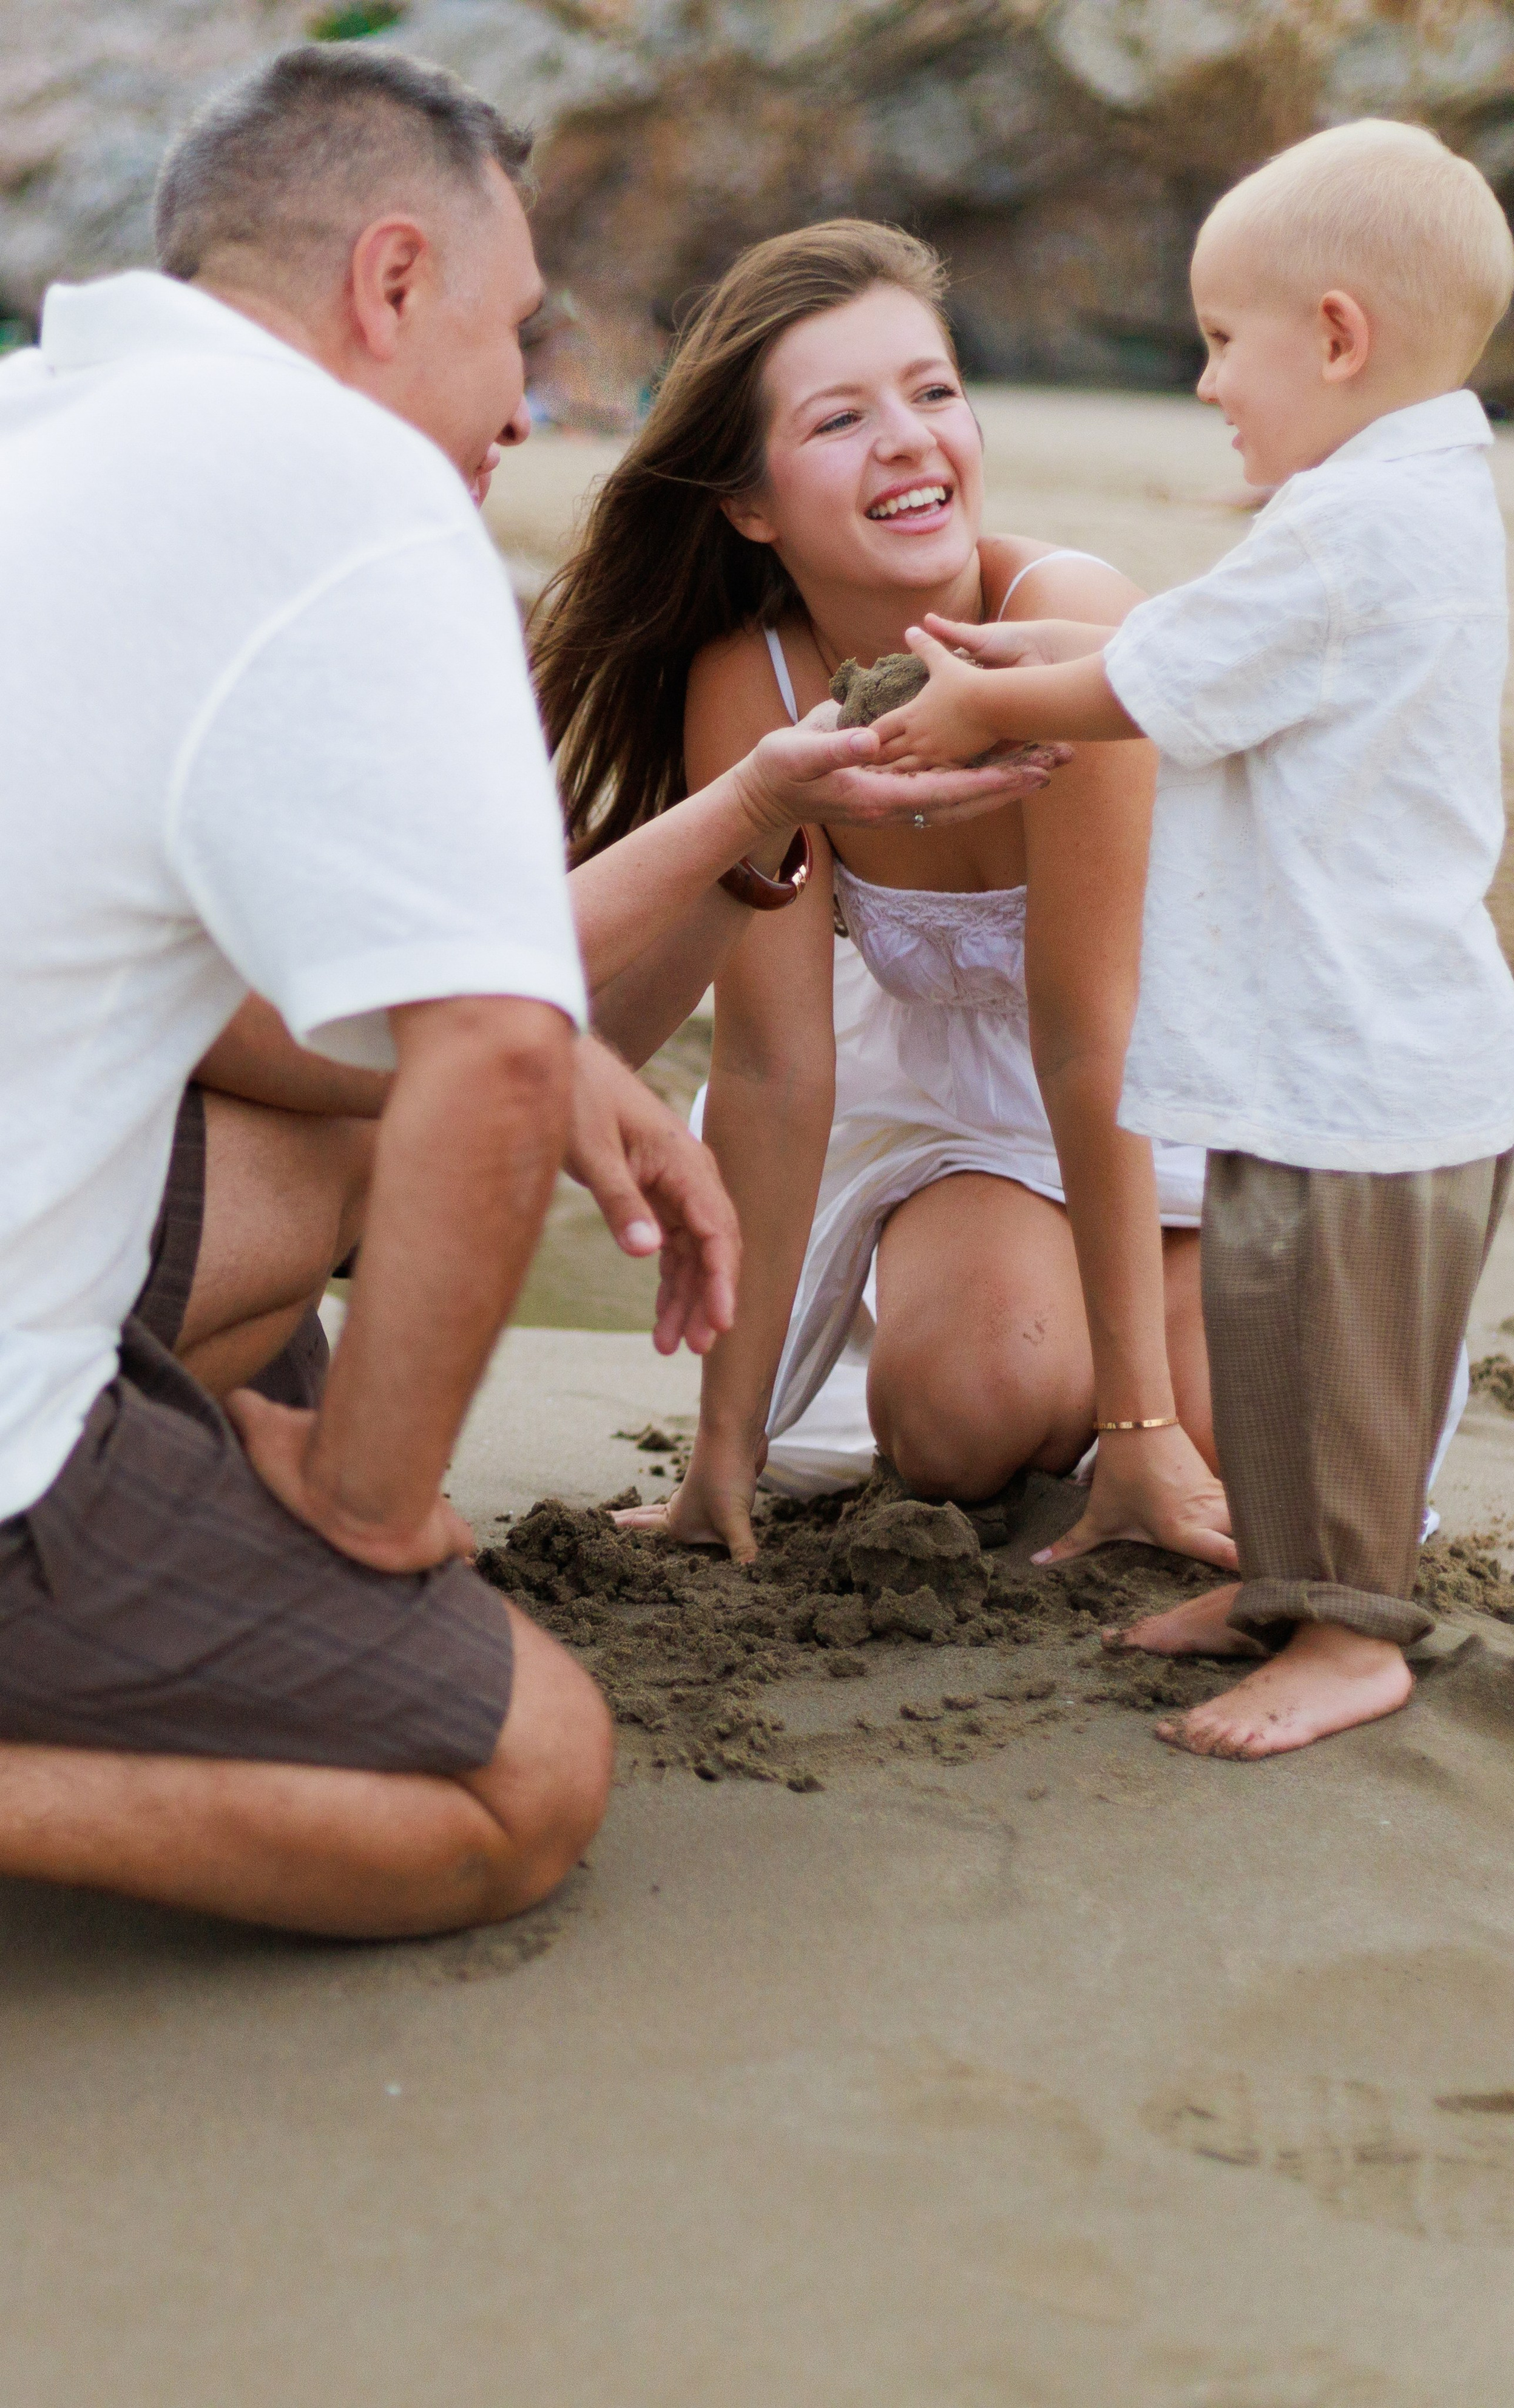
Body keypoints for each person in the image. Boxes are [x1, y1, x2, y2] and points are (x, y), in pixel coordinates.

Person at [0, 47, 1045, 1941]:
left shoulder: (40, 427)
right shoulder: (365, 509)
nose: (533, 398)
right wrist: (377, 1509)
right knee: (520, 1775)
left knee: (299, 1252)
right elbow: (465, 1066)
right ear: (391, 283)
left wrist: (565, 1027)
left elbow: (281, 1025)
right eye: (517, 334)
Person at [868, 120, 1514, 1757]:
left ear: (1337, 337)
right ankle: (1275, 1584)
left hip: (1365, 1064)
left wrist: (984, 698)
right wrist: (1027, 648)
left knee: (1332, 1366)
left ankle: (1351, 1632)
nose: (1205, 382)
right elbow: (1208, 645)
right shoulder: (1399, 501)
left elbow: (1149, 684)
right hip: (1320, 1052)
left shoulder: (1355, 527)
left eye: (1223, 342)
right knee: (1268, 1328)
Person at [530, 220, 1235, 1570]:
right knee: (958, 1421)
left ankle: (1150, 1352)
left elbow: (1094, 1037)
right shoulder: (759, 690)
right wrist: (717, 1462)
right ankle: (1067, 1340)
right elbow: (776, 1073)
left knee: (1234, 1450)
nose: (909, 439)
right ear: (748, 501)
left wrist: (1144, 1423)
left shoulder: (1066, 621)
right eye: (840, 418)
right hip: (954, 1119)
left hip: (1183, 1098)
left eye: (931, 391)